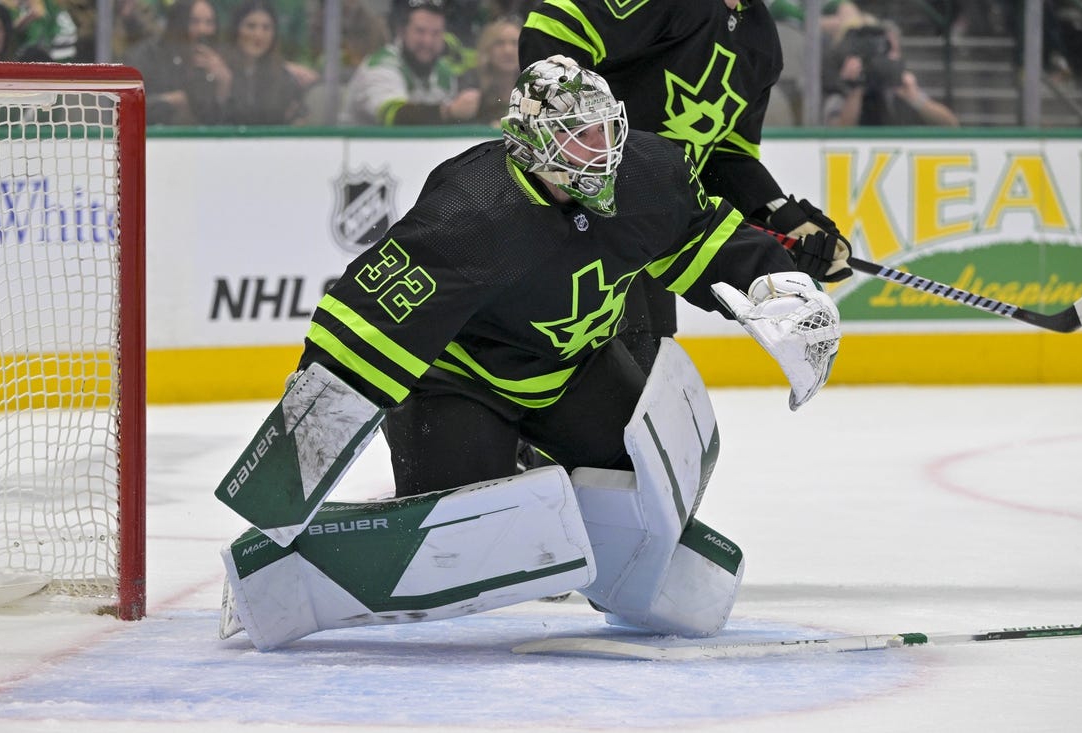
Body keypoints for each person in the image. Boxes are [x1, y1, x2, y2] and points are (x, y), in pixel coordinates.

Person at [215, 57, 842, 650]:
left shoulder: (647, 171)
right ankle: (317, 564)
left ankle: (560, 492)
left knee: (653, 488)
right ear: (530, 142)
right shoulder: (470, 211)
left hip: (576, 370)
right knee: (470, 536)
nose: (600, 153)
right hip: (459, 386)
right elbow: (359, 339)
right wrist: (283, 488)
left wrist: (774, 282)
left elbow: (699, 238)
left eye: (605, 132)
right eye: (577, 138)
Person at [519, 0, 853, 376]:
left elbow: (726, 156)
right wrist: (585, 150)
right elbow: (554, 27)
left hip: (645, 230)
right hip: (570, 217)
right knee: (557, 374)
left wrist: (782, 218)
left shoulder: (761, 41)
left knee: (641, 374)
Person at [340, 0, 481, 125]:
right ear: (402, 31)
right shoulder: (380, 65)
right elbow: (393, 116)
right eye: (420, 31)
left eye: (436, 33)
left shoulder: (443, 72)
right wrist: (449, 111)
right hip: (358, 151)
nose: (428, 41)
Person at [823, 16, 959, 127]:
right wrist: (855, 89)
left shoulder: (903, 86)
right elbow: (838, 135)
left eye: (887, 50)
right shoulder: (842, 87)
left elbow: (951, 125)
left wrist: (915, 98)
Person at [123, 0, 231, 125]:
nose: (202, 29)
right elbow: (125, 104)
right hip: (153, 138)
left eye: (209, 22)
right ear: (178, 23)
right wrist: (167, 101)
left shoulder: (218, 60)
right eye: (194, 21)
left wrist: (224, 83)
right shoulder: (148, 54)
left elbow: (222, 123)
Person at [219, 0, 306, 125]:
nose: (258, 34)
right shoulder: (220, 71)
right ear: (236, 30)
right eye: (251, 26)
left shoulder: (286, 78)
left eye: (266, 28)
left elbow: (298, 120)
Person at [462, 15, 521, 126]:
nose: (508, 50)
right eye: (499, 43)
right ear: (487, 49)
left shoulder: (534, 86)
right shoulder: (471, 83)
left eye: (514, 43)